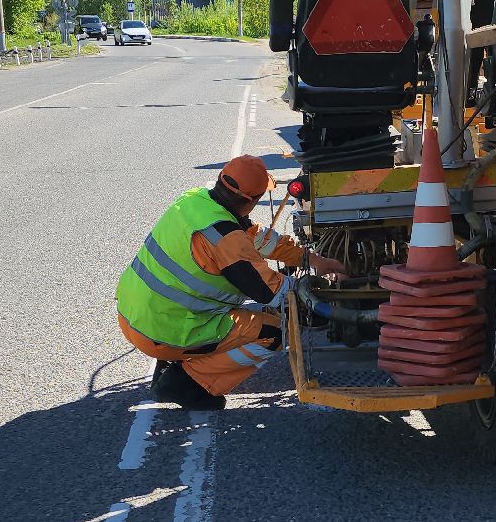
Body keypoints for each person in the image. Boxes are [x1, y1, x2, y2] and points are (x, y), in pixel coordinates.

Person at [116, 155, 345, 409]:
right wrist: (322, 298)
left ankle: (177, 359)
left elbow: (257, 238)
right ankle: (188, 383)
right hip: (162, 332)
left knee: (248, 314)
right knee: (276, 330)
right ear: (250, 201)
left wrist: (312, 259)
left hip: (134, 315)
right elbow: (274, 292)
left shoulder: (196, 201)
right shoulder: (226, 239)